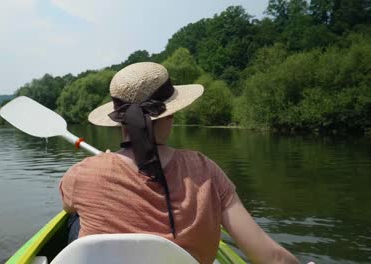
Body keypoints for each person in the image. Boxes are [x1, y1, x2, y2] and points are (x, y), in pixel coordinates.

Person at [60, 62, 299, 264]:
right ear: (170, 115)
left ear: (120, 122)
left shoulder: (82, 174)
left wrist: (104, 164)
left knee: (75, 217)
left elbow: (68, 206)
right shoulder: (207, 171)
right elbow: (273, 258)